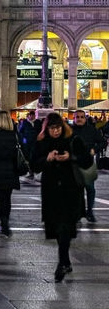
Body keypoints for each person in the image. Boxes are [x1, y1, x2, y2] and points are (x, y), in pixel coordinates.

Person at [31, 111, 92, 282]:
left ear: (62, 126)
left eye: (57, 128)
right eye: (52, 128)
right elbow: (34, 165)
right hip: (51, 190)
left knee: (65, 226)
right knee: (57, 228)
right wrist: (47, 158)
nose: (55, 131)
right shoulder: (42, 142)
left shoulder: (73, 139)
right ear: (47, 129)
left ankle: (61, 263)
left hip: (71, 189)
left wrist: (70, 157)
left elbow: (86, 160)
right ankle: (65, 260)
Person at [71, 109, 102, 223]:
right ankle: (77, 214)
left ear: (85, 118)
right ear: (74, 118)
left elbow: (102, 142)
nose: (79, 119)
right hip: (73, 164)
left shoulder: (92, 130)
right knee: (76, 190)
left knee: (90, 189)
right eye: (77, 117)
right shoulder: (69, 131)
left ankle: (89, 212)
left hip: (87, 164)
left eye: (81, 117)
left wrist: (95, 149)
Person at [18, 111, 40, 178]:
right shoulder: (25, 122)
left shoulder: (38, 122)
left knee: (34, 156)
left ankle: (35, 171)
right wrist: (23, 139)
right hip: (27, 143)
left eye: (33, 115)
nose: (31, 117)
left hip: (36, 142)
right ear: (29, 116)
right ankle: (30, 171)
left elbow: (40, 130)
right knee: (28, 157)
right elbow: (20, 131)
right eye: (30, 115)